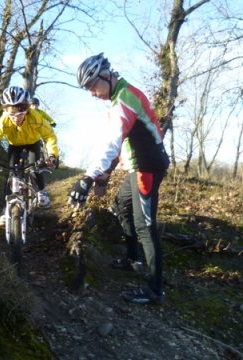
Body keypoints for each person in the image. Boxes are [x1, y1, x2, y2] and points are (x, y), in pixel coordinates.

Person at [68, 53, 170, 305]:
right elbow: (121, 145)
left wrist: (88, 178)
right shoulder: (120, 99)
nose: (92, 93)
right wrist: (104, 177)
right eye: (88, 89)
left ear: (106, 76)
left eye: (93, 86)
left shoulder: (125, 98)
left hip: (147, 168)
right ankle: (132, 259)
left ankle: (155, 290)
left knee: (145, 225)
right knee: (122, 206)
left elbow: (111, 143)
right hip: (137, 167)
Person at [0, 86, 59, 227]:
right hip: (15, 145)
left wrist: (52, 156)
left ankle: (42, 192)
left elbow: (49, 136)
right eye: (11, 114)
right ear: (5, 111)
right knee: (11, 175)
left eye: (20, 114)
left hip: (33, 144)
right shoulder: (4, 121)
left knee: (35, 167)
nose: (16, 118)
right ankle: (5, 210)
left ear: (26, 109)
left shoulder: (36, 117)